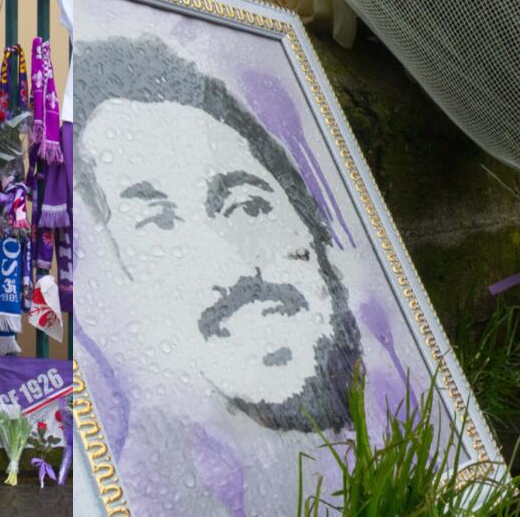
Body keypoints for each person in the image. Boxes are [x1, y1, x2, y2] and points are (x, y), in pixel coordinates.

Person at [73, 34, 362, 513]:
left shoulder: (408, 412)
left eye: (246, 205)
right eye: (158, 225)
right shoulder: (148, 484)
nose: (230, 267)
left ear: (307, 220)